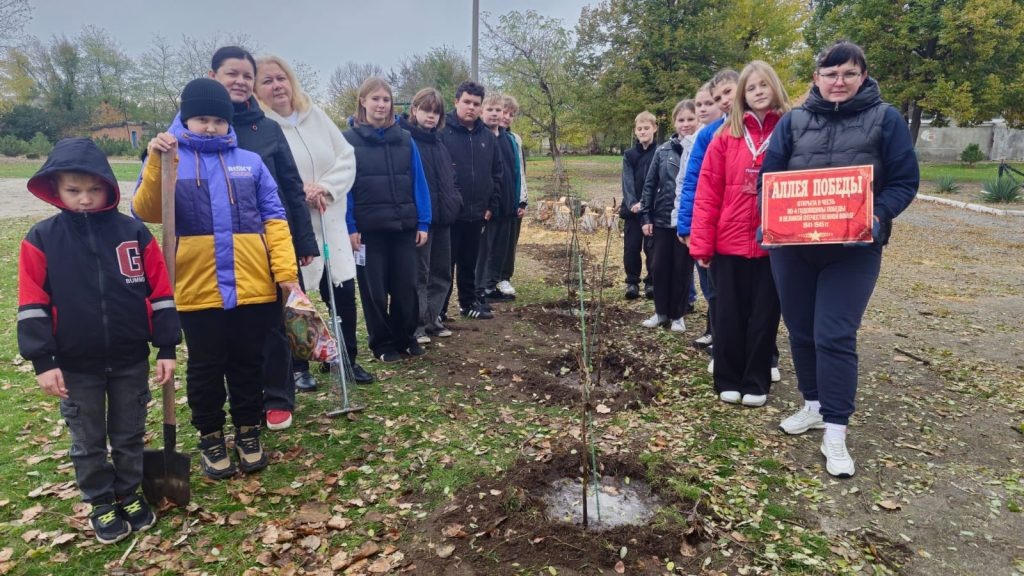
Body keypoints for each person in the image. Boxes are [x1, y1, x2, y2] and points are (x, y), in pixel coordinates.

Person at [760, 41, 919, 478]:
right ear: (817, 79)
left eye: (849, 74)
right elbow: (768, 179)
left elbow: (904, 181)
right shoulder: (793, 122)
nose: (839, 82)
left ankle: (836, 429)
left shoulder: (886, 119)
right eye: (830, 74)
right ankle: (812, 403)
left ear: (862, 76)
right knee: (800, 330)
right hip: (793, 249)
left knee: (834, 334)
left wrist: (874, 214)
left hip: (853, 251)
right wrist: (771, 215)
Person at [18, 138, 180, 544]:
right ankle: (101, 500)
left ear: (109, 186)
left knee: (128, 433)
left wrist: (166, 347)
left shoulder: (133, 233)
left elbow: (159, 292)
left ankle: (127, 492)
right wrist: (43, 361)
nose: (85, 199)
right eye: (74, 191)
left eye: (94, 189)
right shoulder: (41, 239)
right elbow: (32, 302)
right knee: (88, 439)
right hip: (75, 365)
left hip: (129, 359)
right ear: (56, 190)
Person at [135, 78, 299, 480]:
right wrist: (157, 164)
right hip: (197, 288)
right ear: (186, 119)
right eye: (201, 119)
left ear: (229, 123)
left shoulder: (251, 163)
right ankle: (210, 434)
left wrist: (285, 276)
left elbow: (275, 220)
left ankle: (247, 429)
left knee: (247, 363)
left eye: (217, 120)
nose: (210, 127)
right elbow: (148, 210)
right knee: (206, 367)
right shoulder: (170, 160)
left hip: (252, 286)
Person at [254, 54, 375, 428]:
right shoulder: (263, 127)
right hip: (293, 224)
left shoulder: (316, 116)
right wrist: (299, 191)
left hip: (330, 218)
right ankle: (299, 365)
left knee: (341, 290)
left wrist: (325, 187)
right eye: (268, 81)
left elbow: (347, 157)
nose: (277, 86)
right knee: (297, 301)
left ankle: (346, 357)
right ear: (258, 91)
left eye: (281, 79)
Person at [206, 46, 318, 430]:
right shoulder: (191, 125)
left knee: (274, 324)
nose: (240, 81)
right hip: (217, 248)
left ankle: (278, 398)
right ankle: (244, 400)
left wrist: (303, 242)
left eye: (246, 75)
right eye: (231, 74)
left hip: (270, 244)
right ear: (213, 77)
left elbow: (290, 186)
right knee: (231, 327)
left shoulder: (267, 128)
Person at [689, 60, 790, 408]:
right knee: (728, 314)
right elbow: (706, 192)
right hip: (728, 242)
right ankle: (728, 378)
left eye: (764, 85)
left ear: (775, 87)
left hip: (773, 243)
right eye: (751, 87)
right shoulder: (724, 137)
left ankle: (757, 380)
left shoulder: (791, 130)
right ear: (742, 96)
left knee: (764, 316)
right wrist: (701, 242)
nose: (758, 92)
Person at [344, 77, 431, 362]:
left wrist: (423, 222)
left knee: (406, 287)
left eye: (386, 99)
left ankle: (405, 337)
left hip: (403, 226)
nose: (381, 105)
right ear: (363, 101)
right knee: (375, 292)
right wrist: (350, 226)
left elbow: (419, 181)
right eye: (375, 99)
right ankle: (382, 344)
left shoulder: (406, 140)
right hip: (368, 231)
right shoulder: (348, 141)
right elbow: (344, 187)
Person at [397, 88, 462, 343]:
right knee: (419, 274)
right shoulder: (406, 140)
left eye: (436, 112)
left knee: (441, 272)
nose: (431, 117)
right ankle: (417, 324)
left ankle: (433, 317)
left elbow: (450, 178)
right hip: (420, 221)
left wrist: (455, 202)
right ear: (414, 110)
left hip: (444, 218)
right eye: (426, 110)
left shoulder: (440, 142)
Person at [441, 81, 503, 320]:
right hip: (450, 213)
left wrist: (491, 206)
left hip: (477, 212)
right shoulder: (443, 131)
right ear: (456, 101)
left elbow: (496, 173)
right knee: (445, 266)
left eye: (476, 104)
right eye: (466, 102)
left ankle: (468, 303)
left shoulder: (487, 136)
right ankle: (440, 310)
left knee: (469, 262)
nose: (471, 108)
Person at [639, 100, 699, 332]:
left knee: (682, 269)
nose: (685, 124)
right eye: (681, 120)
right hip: (663, 220)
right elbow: (650, 184)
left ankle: (678, 315)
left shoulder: (702, 147)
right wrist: (646, 217)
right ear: (674, 122)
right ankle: (660, 311)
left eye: (690, 119)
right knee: (659, 267)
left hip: (687, 221)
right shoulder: (663, 151)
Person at [685, 82, 724, 347]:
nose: (702, 109)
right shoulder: (699, 137)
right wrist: (685, 225)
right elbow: (689, 183)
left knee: (724, 288)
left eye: (708, 103)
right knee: (709, 285)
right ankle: (714, 331)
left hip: (725, 224)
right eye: (699, 104)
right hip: (702, 222)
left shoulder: (722, 133)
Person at [478, 91, 518, 303]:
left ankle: (493, 285)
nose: (496, 114)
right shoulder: (481, 137)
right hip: (488, 206)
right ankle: (481, 288)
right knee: (485, 249)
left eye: (499, 110)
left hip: (507, 204)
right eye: (491, 110)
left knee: (501, 248)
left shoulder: (506, 138)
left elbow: (512, 171)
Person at [621, 111, 658, 301]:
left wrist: (647, 204)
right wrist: (632, 203)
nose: (643, 132)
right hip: (632, 211)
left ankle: (651, 282)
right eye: (639, 129)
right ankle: (632, 282)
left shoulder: (660, 152)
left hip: (652, 210)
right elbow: (627, 181)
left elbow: (658, 180)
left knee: (651, 248)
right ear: (635, 131)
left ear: (654, 129)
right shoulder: (629, 155)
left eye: (646, 128)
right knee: (632, 247)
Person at [495, 94, 528, 298]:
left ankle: (504, 277)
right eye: (503, 112)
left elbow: (521, 172)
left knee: (509, 243)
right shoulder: (489, 137)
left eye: (511, 114)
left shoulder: (515, 139)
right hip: (496, 201)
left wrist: (523, 199)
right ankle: (490, 280)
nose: (506, 117)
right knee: (494, 243)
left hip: (514, 198)